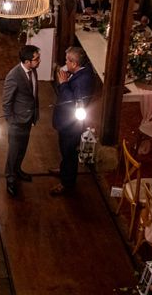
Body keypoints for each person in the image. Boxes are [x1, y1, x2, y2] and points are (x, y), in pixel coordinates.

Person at [50, 47, 95, 196]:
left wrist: (63, 83)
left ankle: (66, 182)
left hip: (71, 125)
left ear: (74, 64)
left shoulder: (83, 80)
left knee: (69, 152)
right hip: (67, 122)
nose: (65, 63)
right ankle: (64, 171)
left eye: (67, 60)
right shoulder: (79, 72)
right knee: (64, 151)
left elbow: (73, 102)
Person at [2, 45, 41, 197]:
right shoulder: (14, 75)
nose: (39, 61)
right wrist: (11, 120)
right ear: (26, 61)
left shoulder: (33, 70)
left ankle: (18, 170)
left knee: (23, 148)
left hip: (28, 118)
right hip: (17, 122)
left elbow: (33, 94)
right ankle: (10, 178)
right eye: (36, 59)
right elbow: (6, 102)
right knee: (13, 151)